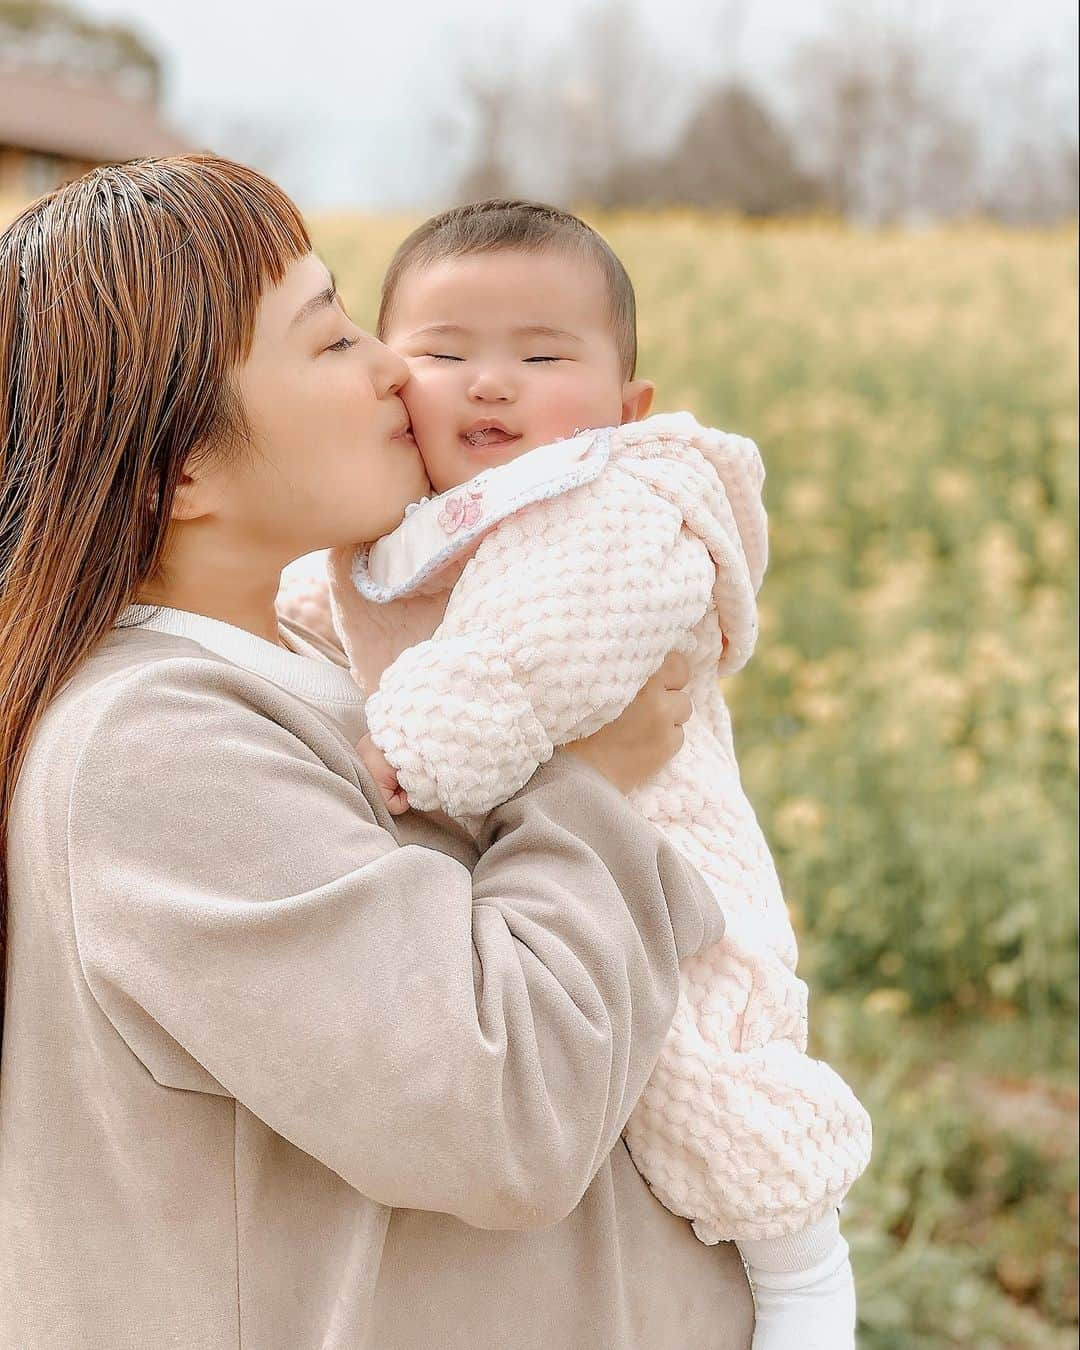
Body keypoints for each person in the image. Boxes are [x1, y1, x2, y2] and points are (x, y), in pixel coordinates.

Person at [0, 157, 754, 1350]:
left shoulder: (316, 667)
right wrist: (594, 778)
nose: (398, 368)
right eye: (331, 337)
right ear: (184, 472)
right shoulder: (152, 749)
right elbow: (503, 1110)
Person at [278, 200, 871, 1350]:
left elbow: (524, 655)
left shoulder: (611, 503)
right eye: (445, 354)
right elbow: (325, 609)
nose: (489, 384)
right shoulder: (403, 529)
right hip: (546, 859)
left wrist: (402, 754)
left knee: (711, 1077)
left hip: (669, 855)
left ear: (625, 405)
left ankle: (809, 1285)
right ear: (393, 386)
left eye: (542, 356)